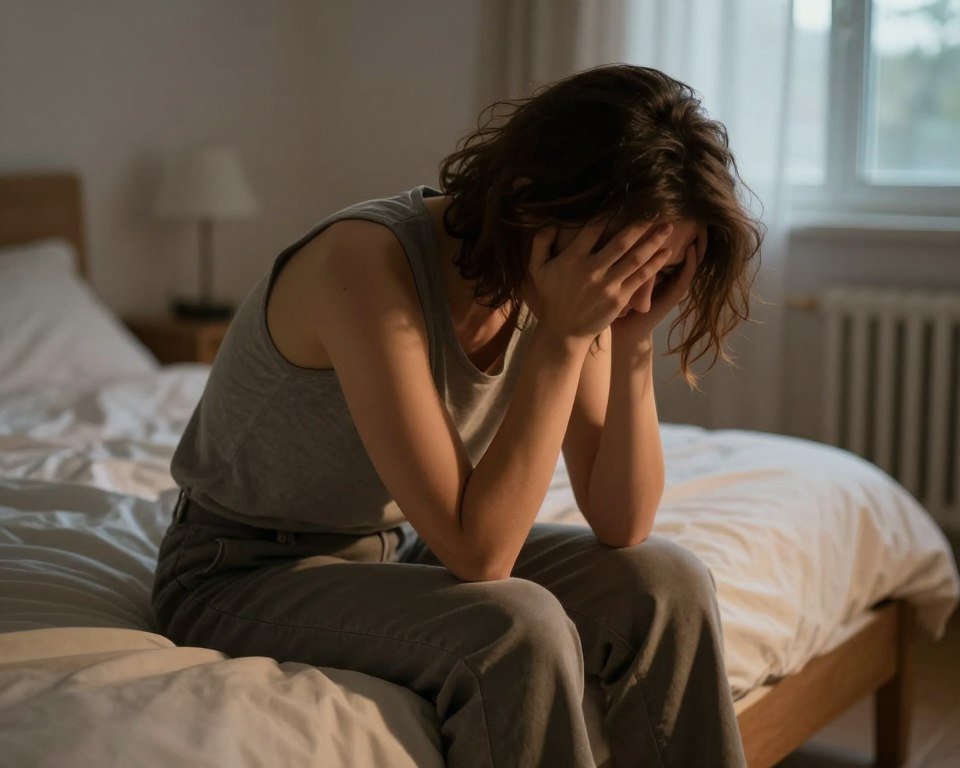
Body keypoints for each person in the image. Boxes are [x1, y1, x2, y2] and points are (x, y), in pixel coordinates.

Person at [151, 63, 762, 768]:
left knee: (666, 581)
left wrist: (631, 340)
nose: (631, 291)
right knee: (517, 624)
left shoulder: (574, 280)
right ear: (532, 205)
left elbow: (621, 522)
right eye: (623, 264)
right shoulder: (362, 262)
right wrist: (563, 339)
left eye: (658, 271)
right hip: (241, 570)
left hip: (399, 545)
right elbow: (480, 557)